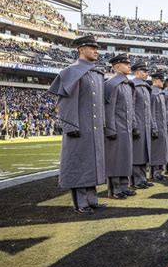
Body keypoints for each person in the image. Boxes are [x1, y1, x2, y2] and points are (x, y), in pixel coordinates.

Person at [48, 35, 106, 215]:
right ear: (81, 49)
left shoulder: (96, 73)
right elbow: (66, 102)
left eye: (97, 48)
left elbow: (99, 103)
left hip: (93, 128)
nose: (96, 51)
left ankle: (91, 199)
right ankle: (80, 203)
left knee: (92, 164)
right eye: (92, 47)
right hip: (79, 127)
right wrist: (71, 125)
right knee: (79, 164)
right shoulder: (71, 71)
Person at [104, 53, 136, 199]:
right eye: (126, 64)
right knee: (115, 159)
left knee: (125, 158)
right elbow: (108, 109)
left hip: (126, 128)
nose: (129, 66)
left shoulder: (128, 85)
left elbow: (131, 108)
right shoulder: (111, 84)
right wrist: (110, 128)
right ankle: (114, 189)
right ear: (117, 66)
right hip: (116, 127)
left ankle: (124, 185)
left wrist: (134, 126)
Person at [131, 62, 158, 189]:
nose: (146, 74)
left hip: (146, 126)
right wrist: (134, 126)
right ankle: (136, 180)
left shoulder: (145, 87)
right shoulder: (133, 86)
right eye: (143, 71)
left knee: (144, 154)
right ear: (136, 72)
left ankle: (142, 178)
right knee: (137, 155)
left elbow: (149, 110)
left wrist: (152, 126)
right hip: (138, 126)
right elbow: (131, 108)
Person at [149, 72, 168, 181]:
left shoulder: (161, 94)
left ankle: (159, 172)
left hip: (162, 126)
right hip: (156, 126)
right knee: (156, 151)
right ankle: (154, 173)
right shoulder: (152, 92)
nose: (163, 83)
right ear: (156, 80)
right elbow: (150, 111)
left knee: (162, 150)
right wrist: (153, 126)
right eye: (161, 81)